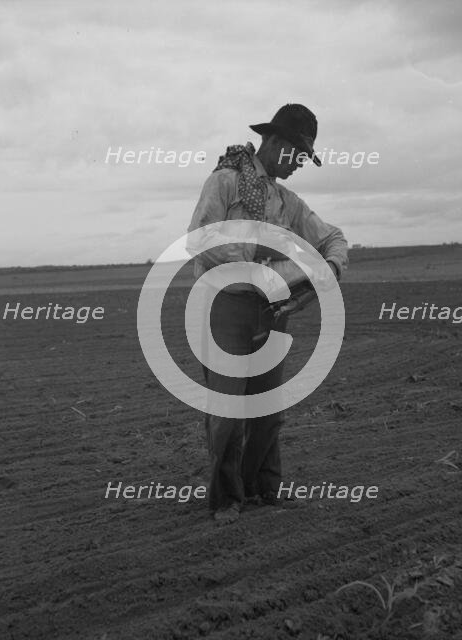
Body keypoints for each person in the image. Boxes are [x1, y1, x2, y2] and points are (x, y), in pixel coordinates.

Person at [187, 104, 348, 524]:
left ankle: (263, 488)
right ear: (275, 143)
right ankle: (225, 499)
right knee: (226, 410)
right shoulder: (223, 183)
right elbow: (199, 240)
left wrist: (329, 268)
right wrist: (267, 263)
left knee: (268, 407)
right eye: (297, 155)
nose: (298, 166)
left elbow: (332, 237)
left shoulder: (287, 202)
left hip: (271, 311)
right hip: (223, 305)